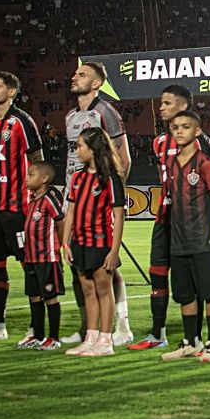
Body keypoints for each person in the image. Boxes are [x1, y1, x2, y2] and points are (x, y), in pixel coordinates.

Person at [131, 84, 210, 352]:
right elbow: (164, 179)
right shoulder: (159, 143)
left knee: (191, 282)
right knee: (157, 274)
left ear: (183, 107)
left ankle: (196, 337)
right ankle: (158, 333)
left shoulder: (199, 144)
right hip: (163, 219)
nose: (161, 108)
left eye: (167, 103)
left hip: (190, 225)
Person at [63, 62, 132, 348]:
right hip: (73, 197)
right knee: (79, 268)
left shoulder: (106, 112)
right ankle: (87, 328)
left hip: (99, 202)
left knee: (107, 267)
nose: (74, 76)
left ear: (96, 84)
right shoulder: (69, 116)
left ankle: (121, 325)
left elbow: (123, 158)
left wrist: (106, 193)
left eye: (81, 74)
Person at [0, 71, 43, 341]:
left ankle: (36, 326)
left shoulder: (22, 122)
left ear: (12, 91)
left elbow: (37, 160)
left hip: (18, 209)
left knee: (30, 265)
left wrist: (37, 196)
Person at [157, 110, 210, 364]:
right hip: (179, 242)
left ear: (197, 131)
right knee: (184, 295)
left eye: (185, 127)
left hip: (203, 241)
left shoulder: (204, 163)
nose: (178, 131)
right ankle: (190, 342)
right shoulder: (171, 163)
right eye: (175, 127)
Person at [63, 128, 126, 358]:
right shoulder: (78, 177)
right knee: (88, 290)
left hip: (100, 242)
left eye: (80, 146)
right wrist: (65, 242)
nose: (77, 150)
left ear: (93, 149)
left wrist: (114, 251)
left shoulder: (110, 178)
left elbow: (119, 216)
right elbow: (70, 211)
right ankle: (90, 338)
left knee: (103, 290)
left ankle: (105, 340)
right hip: (79, 242)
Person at [17, 161, 65, 351]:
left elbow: (61, 222)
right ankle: (38, 336)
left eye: (31, 175)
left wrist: (58, 246)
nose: (27, 178)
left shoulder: (49, 200)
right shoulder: (33, 200)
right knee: (34, 297)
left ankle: (54, 338)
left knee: (50, 298)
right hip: (31, 259)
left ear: (44, 179)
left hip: (48, 259)